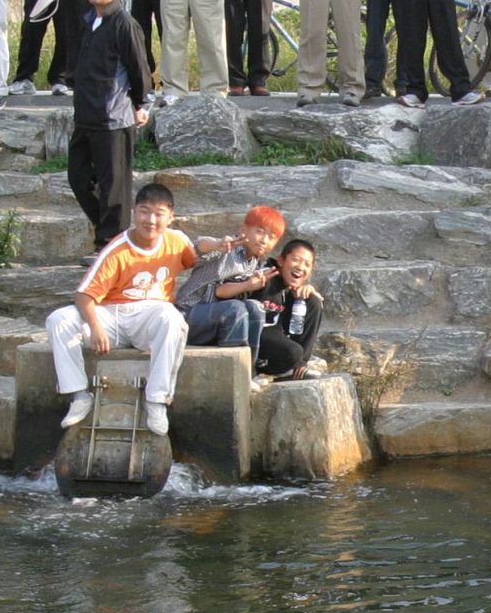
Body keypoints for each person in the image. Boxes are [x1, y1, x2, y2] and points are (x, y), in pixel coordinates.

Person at [48, 183, 246, 437]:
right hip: (111, 316)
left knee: (172, 318)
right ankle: (78, 395)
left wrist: (219, 244)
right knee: (59, 319)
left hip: (149, 316)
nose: (150, 220)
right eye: (144, 211)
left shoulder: (175, 240)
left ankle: (157, 400)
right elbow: (84, 295)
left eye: (158, 213)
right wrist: (96, 329)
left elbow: (194, 252)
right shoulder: (117, 249)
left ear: (170, 217)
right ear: (134, 212)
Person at [63, 0, 153, 249]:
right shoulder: (89, 20)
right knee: (78, 178)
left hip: (114, 117)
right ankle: (110, 235)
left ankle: (108, 245)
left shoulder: (124, 24)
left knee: (115, 188)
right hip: (86, 116)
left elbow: (140, 67)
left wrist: (143, 104)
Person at [178, 204, 286, 351]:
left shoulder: (253, 262)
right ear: (243, 229)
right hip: (187, 315)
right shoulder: (227, 246)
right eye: (260, 232)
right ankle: (232, 368)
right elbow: (198, 248)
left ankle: (248, 369)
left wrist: (247, 285)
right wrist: (217, 244)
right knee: (235, 309)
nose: (264, 240)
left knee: (254, 308)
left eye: (271, 237)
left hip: (215, 318)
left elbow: (220, 291)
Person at [257, 236, 324, 378]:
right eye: (296, 260)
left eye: (307, 264)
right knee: (293, 351)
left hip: (277, 335)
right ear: (281, 261)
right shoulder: (266, 276)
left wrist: (308, 290)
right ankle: (261, 369)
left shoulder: (289, 286)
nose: (300, 267)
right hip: (256, 334)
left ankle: (298, 368)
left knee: (312, 302)